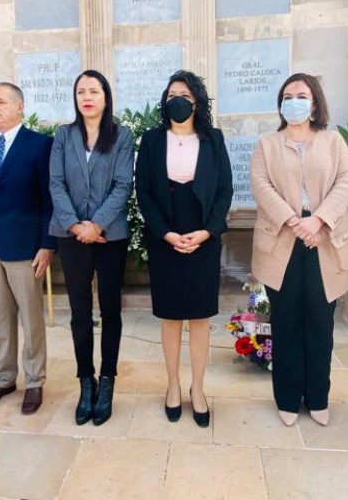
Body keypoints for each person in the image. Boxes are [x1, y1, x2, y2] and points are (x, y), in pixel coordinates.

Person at [250, 73, 348, 428]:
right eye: (287, 95)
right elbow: (261, 185)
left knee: (320, 322)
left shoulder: (333, 140)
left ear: (314, 104)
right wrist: (295, 222)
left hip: (324, 239)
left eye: (301, 95)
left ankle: (318, 397)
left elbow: (346, 180)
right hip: (283, 238)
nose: (293, 100)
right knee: (286, 323)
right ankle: (286, 397)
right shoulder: (267, 143)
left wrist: (319, 220)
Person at [135, 70, 232, 428]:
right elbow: (143, 191)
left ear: (197, 102)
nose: (178, 100)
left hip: (203, 236)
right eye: (172, 94)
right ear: (165, 100)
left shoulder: (213, 139)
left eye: (186, 95)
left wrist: (207, 232)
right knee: (172, 315)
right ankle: (173, 385)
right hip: (166, 237)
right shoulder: (150, 140)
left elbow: (224, 191)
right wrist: (165, 234)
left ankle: (198, 388)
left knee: (200, 316)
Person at [49, 70, 134, 426]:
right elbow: (55, 182)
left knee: (110, 311)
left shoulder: (122, 136)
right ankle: (87, 382)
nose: (87, 96)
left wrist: (96, 224)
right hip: (71, 238)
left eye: (94, 90)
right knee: (80, 313)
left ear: (105, 96)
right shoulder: (63, 136)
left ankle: (108, 381)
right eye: (81, 91)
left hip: (109, 237)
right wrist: (75, 226)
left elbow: (122, 184)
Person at [0, 82, 55, 415]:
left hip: (25, 247)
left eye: (1, 101)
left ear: (20, 106)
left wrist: (47, 244)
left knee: (31, 319)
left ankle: (34, 381)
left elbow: (49, 199)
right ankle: (3, 378)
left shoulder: (40, 145)